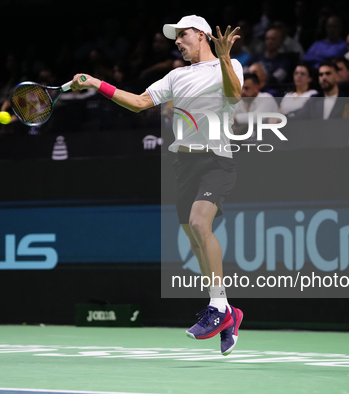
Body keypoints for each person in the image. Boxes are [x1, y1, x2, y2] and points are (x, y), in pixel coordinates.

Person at [70, 15, 244, 356]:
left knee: (199, 222)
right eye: (175, 37)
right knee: (194, 239)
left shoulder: (229, 63)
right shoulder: (176, 76)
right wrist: (95, 82)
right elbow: (138, 103)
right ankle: (230, 313)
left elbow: (235, 95)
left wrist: (223, 58)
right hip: (185, 164)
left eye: (183, 35)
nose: (177, 41)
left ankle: (220, 307)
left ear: (203, 36)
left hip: (216, 160)